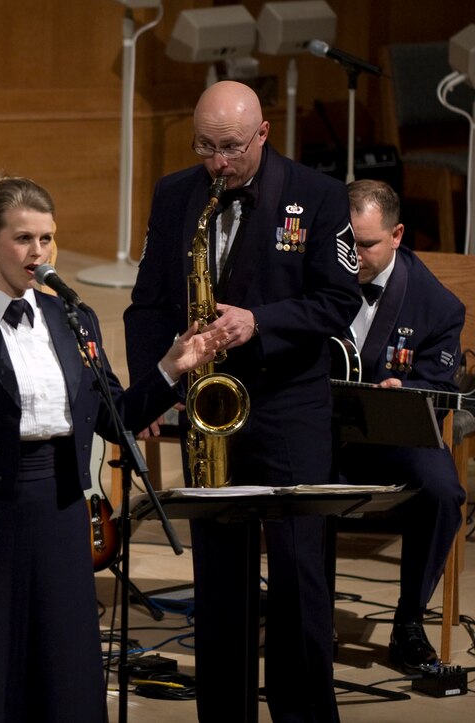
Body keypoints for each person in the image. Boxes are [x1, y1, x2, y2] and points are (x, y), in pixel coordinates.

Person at [0, 173, 223, 722]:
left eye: (47, 238)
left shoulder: (72, 318)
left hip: (61, 506)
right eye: (24, 238)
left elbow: (114, 416)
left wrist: (171, 367)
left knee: (61, 652)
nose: (38, 251)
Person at [123, 80, 362, 722]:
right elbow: (146, 302)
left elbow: (339, 301)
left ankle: (304, 713)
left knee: (298, 579)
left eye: (229, 147)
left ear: (262, 133)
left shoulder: (317, 195)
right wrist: (151, 389)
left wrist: (260, 321)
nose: (217, 163)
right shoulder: (176, 193)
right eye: (205, 146)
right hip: (208, 412)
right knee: (220, 582)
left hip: (288, 408)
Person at [336, 179, 466, 672]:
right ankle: (297, 607)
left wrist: (404, 397)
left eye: (366, 244)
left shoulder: (438, 306)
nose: (354, 255)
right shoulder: (318, 271)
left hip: (389, 435)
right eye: (346, 242)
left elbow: (438, 392)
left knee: (441, 489)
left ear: (397, 236)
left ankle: (408, 620)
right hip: (315, 423)